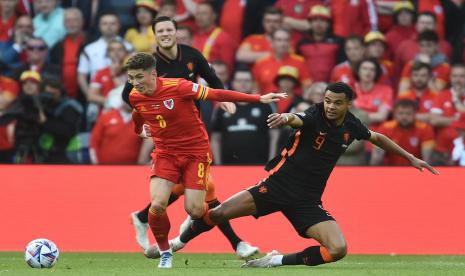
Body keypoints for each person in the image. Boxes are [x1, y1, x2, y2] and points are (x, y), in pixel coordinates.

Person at [145, 82, 438, 268]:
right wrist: (285, 118)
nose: (330, 106)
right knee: (217, 215)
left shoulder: (352, 125)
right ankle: (177, 243)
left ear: (348, 104)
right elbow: (297, 119)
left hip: (307, 201)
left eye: (337, 102)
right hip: (276, 186)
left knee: (337, 249)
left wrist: (410, 158)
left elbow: (377, 138)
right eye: (327, 100)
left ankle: (275, 261)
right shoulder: (313, 116)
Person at [125, 52, 285, 268]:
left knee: (196, 211)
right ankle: (165, 252)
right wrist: (139, 130)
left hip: (195, 153)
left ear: (153, 73)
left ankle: (193, 222)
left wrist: (258, 98)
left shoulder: (179, 87)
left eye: (139, 77)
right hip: (165, 153)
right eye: (131, 78)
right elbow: (138, 113)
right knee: (157, 205)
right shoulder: (136, 94)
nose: (135, 83)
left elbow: (216, 93)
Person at [371, 99, 435, 166]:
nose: (404, 117)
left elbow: (427, 160)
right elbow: (376, 159)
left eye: (408, 114)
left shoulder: (425, 129)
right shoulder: (385, 128)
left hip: (417, 169)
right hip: (391, 169)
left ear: (415, 114)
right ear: (394, 114)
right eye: (400, 113)